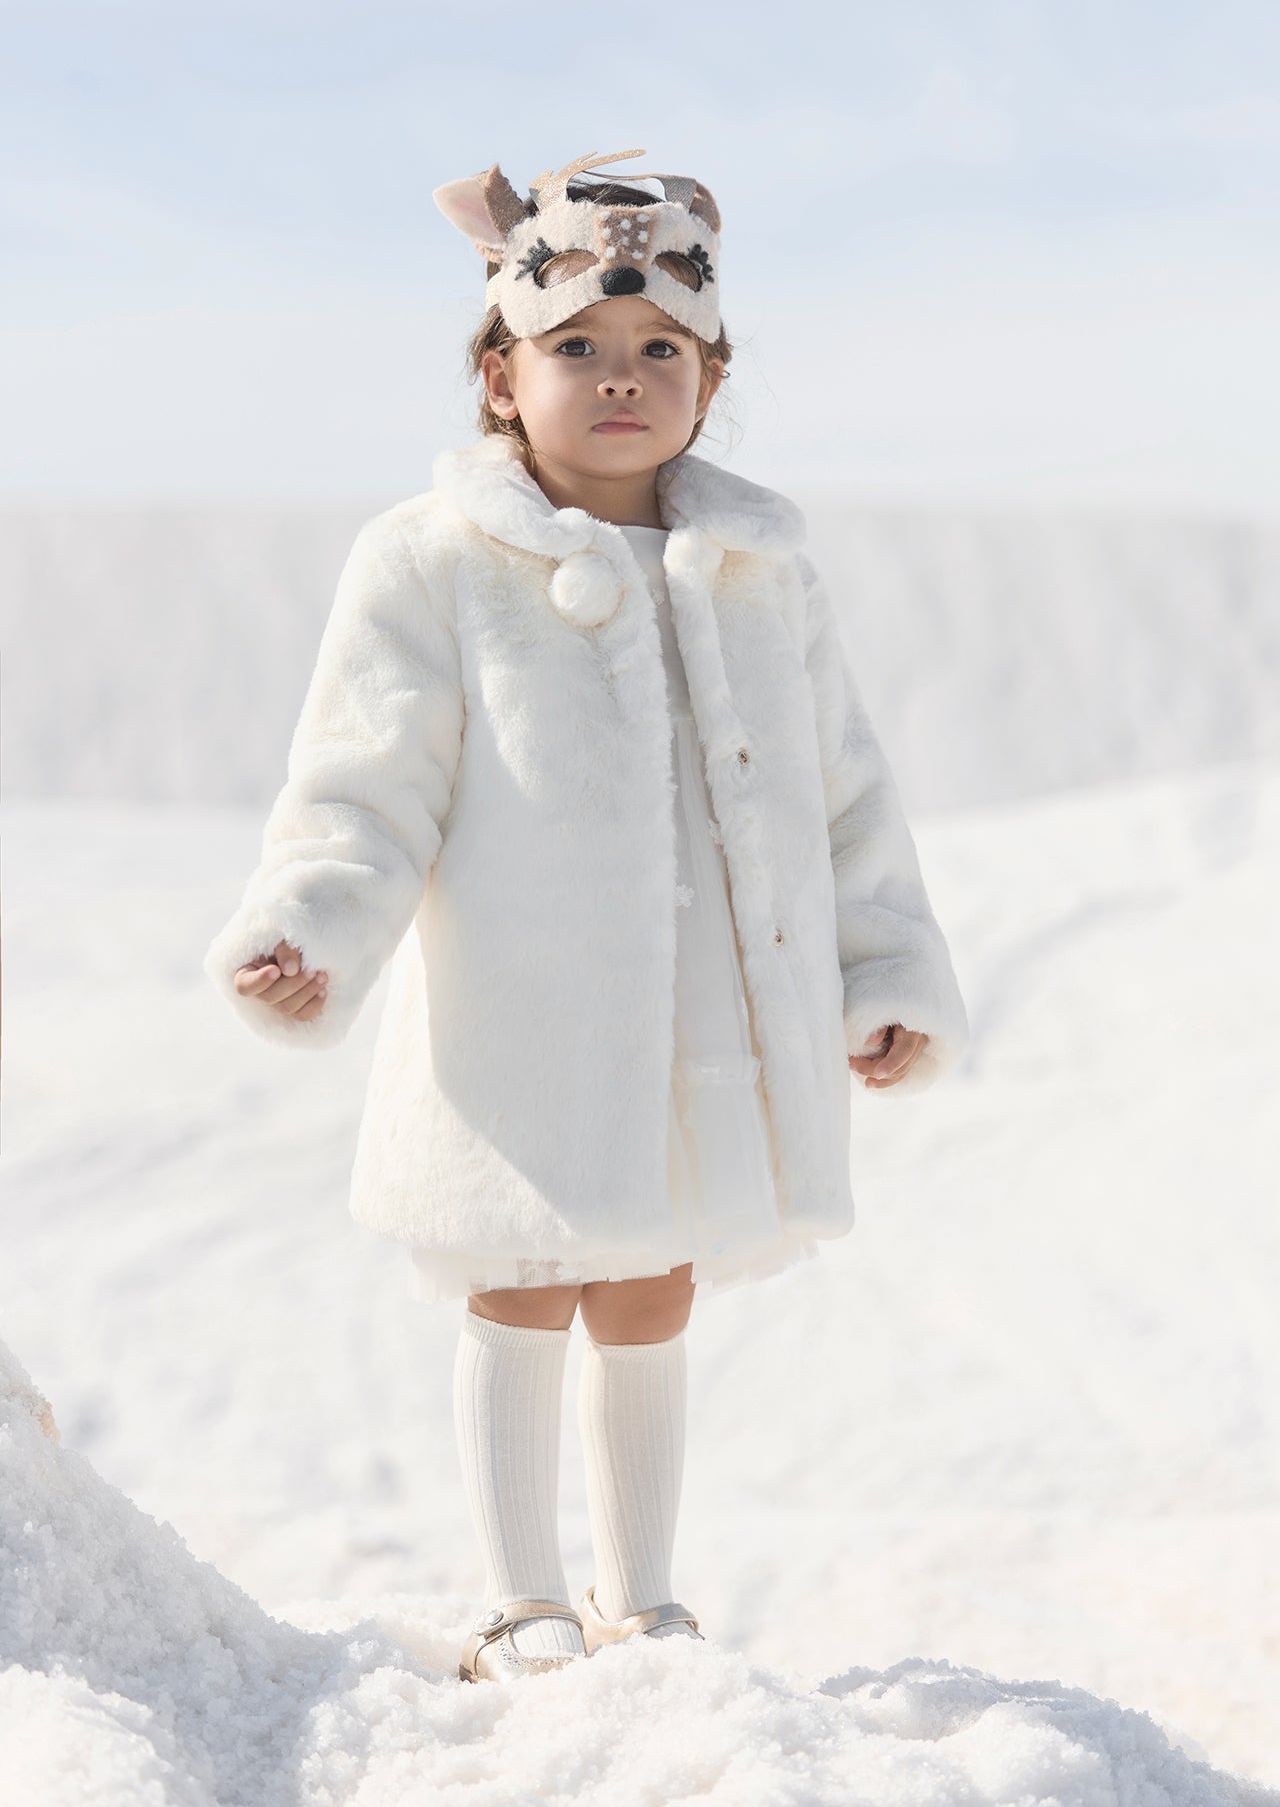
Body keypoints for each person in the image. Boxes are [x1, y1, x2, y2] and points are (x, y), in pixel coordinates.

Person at [203, 147, 969, 1685]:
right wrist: (312, 929)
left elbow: (844, 796)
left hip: (708, 1014)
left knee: (652, 1278)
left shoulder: (762, 573)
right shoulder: (430, 561)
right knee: (524, 1270)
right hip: (523, 1007)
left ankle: (647, 1596)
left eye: (660, 350)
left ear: (709, 379)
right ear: (501, 376)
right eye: (577, 347)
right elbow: (364, 786)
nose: (622, 376)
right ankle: (522, 1598)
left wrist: (885, 971)